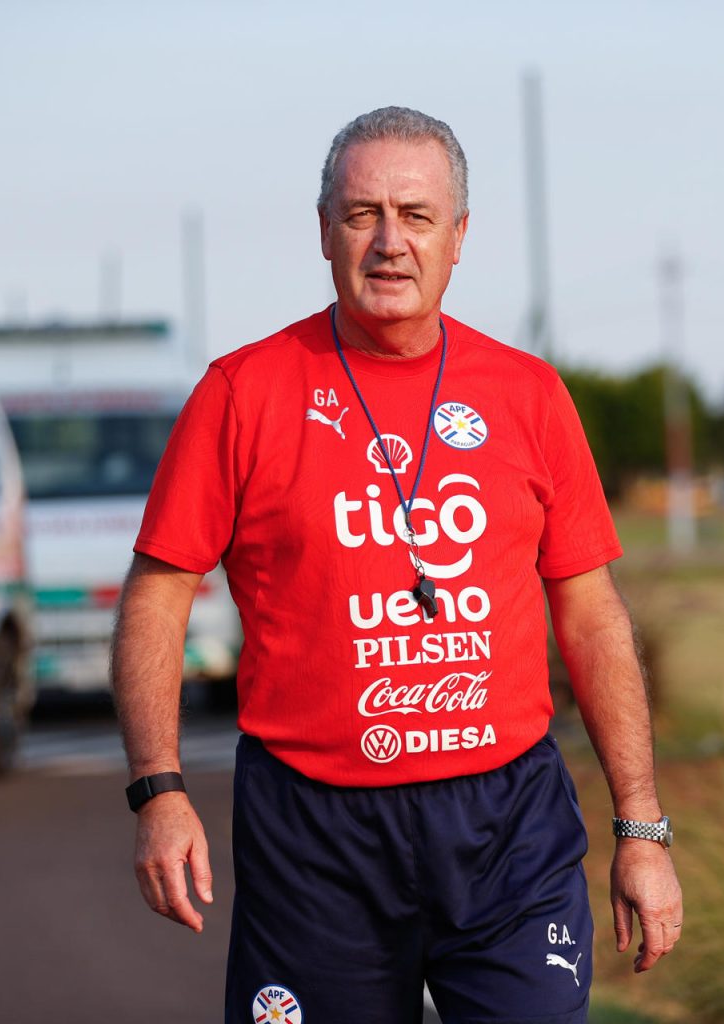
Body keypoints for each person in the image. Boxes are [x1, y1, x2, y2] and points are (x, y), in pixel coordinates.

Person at [113, 106, 682, 1023]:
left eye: (416, 216)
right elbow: (159, 593)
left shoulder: (529, 395)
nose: (389, 242)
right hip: (315, 833)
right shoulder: (241, 393)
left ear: (459, 237)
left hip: (506, 828)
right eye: (361, 214)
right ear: (324, 233)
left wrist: (642, 828)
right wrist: (159, 788)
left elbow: (591, 614)